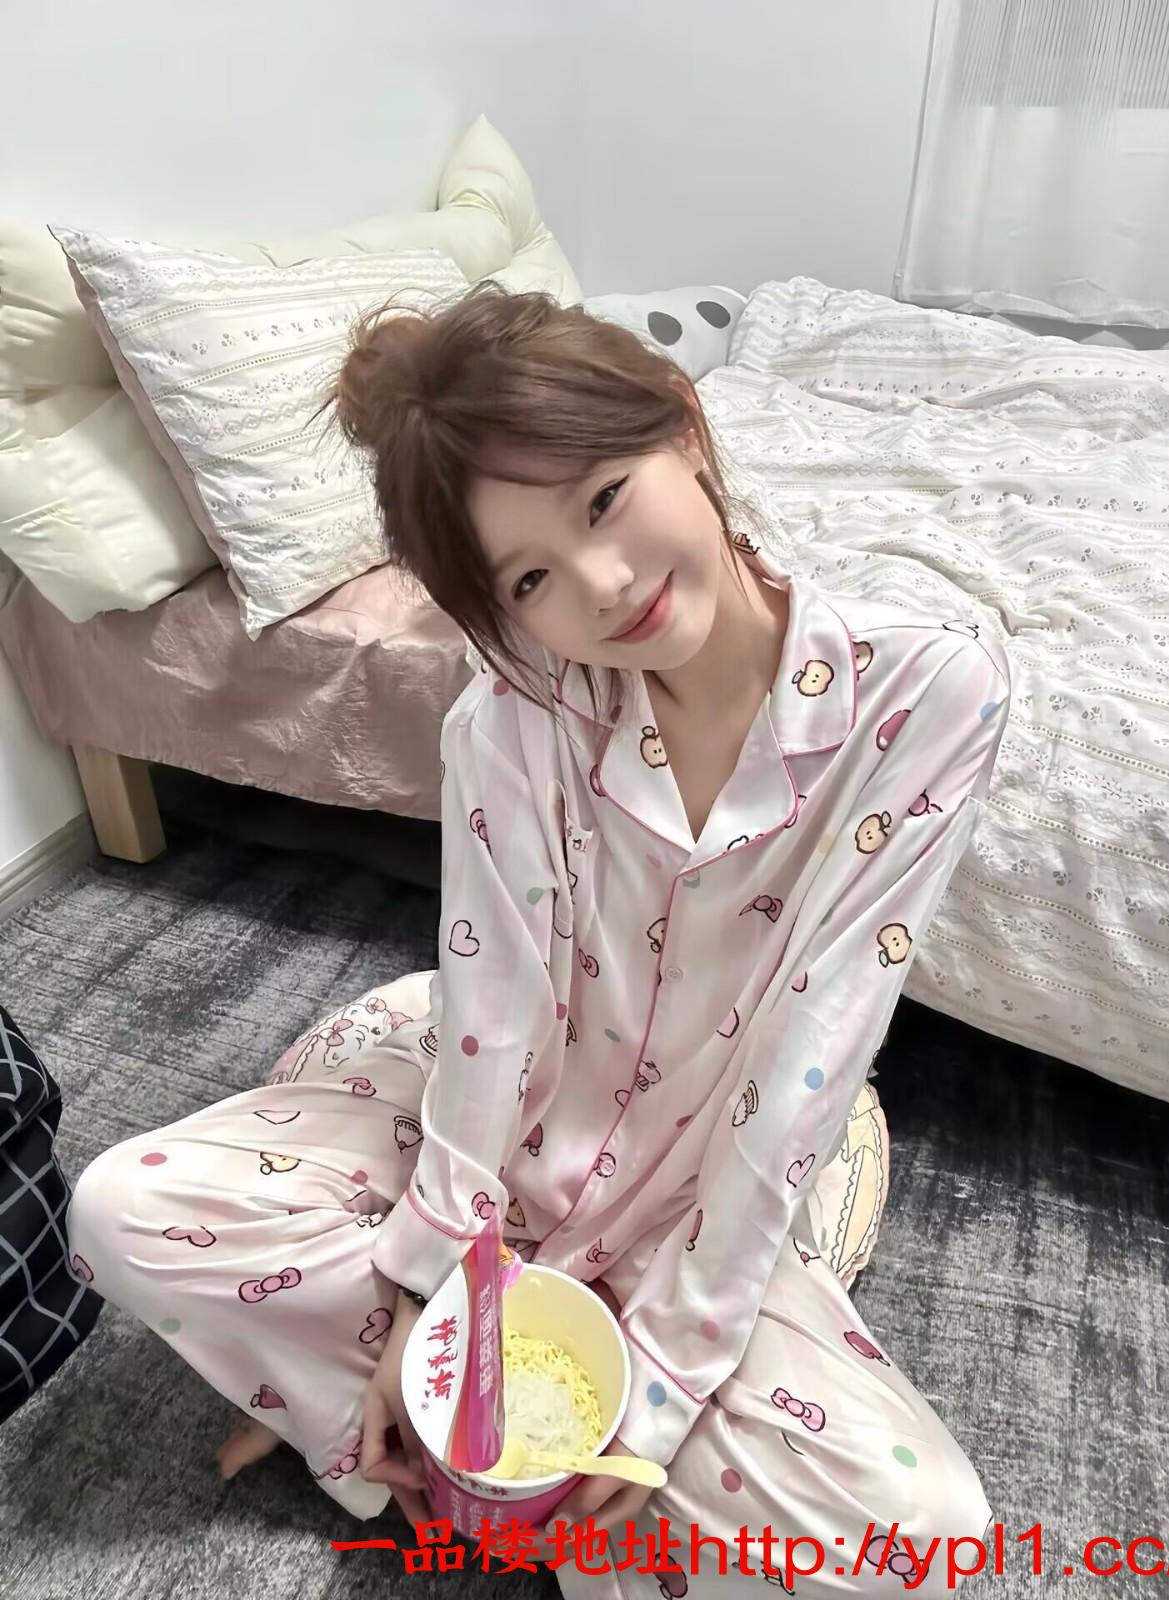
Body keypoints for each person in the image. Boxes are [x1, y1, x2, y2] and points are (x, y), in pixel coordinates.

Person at [67, 283, 1010, 1595]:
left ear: (682, 425)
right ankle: (449, 1456)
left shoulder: (925, 698)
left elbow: (817, 1041)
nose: (603, 585)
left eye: (604, 499)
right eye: (530, 578)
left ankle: (448, 1449)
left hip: (710, 1183)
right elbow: (492, 1015)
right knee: (125, 1208)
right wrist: (425, 1292)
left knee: (928, 1539)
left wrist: (661, 1387)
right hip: (494, 1140)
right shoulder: (508, 723)